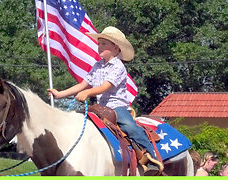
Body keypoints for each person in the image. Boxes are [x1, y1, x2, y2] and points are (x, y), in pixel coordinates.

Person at [48, 26, 162, 176]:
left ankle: (150, 157)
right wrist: (60, 94)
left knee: (130, 127)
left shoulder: (118, 66)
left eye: (103, 43)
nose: (99, 46)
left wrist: (88, 92)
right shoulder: (97, 66)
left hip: (117, 108)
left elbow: (104, 87)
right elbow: (83, 84)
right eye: (99, 43)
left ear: (115, 47)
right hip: (100, 108)